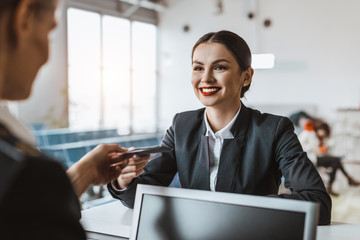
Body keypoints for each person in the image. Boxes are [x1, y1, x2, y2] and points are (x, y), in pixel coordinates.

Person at [108, 30, 332, 225]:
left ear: (246, 76)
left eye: (220, 67)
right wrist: (123, 181)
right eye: (198, 67)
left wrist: (236, 207)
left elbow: (318, 204)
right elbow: (138, 197)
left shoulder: (274, 129)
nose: (206, 78)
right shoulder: (181, 126)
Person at [0, 0, 150, 239]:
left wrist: (86, 172)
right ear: (24, 18)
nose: (46, 57)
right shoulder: (24, 173)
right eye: (50, 31)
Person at [299, 120, 360, 196]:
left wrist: (324, 148)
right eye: (322, 130)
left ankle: (334, 185)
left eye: (324, 131)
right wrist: (314, 148)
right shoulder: (308, 133)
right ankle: (347, 179)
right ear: (317, 129)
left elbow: (324, 152)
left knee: (335, 163)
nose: (323, 133)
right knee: (336, 161)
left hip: (319, 158)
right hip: (311, 159)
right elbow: (299, 146)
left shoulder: (321, 139)